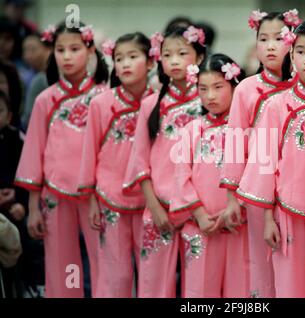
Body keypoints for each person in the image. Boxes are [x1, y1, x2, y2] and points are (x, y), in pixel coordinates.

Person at [236, 19, 305, 297]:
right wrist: (269, 218)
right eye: (301, 51)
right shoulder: (276, 105)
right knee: (289, 288)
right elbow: (263, 163)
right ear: (291, 55)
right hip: (287, 214)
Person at [14, 21, 108, 297]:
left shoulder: (104, 97)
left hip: (98, 195)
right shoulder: (46, 99)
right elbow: (34, 152)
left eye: (75, 49)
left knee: (105, 260)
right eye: (60, 49)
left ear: (90, 50)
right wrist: (33, 206)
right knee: (62, 264)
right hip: (55, 193)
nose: (66, 56)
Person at [219, 9, 300, 298]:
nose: (270, 45)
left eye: (279, 38)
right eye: (263, 38)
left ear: (294, 41)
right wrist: (231, 199)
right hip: (259, 193)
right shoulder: (246, 89)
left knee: (297, 268)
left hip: (300, 190)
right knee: (262, 265)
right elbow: (235, 145)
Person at [122, 25, 205, 297]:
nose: (175, 61)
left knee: (199, 284)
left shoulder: (209, 100)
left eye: (183, 53)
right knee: (153, 283)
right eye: (168, 55)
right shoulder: (150, 104)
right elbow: (140, 162)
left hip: (199, 209)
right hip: (159, 208)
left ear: (200, 58)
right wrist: (154, 206)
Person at [78, 32, 154, 298]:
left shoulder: (159, 102)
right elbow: (89, 153)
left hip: (151, 201)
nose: (125, 64)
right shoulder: (100, 104)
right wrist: (90, 201)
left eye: (133, 57)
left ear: (151, 62)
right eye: (119, 58)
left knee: (151, 274)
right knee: (115, 274)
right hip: (110, 197)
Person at [170, 53, 249, 297]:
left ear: (235, 85)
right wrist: (201, 216)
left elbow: (258, 175)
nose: (210, 96)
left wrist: (237, 207)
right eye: (203, 89)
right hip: (200, 226)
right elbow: (181, 176)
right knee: (199, 292)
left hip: (240, 225)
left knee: (242, 291)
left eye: (218, 87)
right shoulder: (192, 129)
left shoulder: (249, 129)